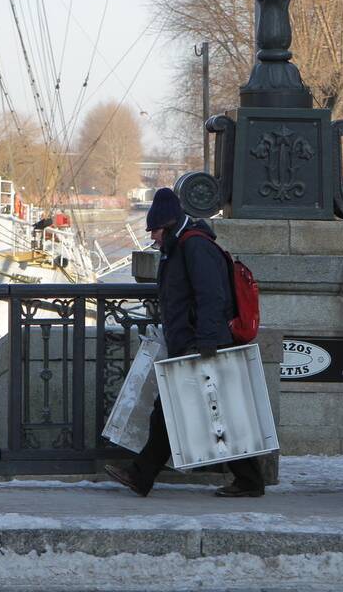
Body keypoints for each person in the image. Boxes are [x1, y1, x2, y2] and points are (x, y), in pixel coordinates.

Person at [105, 187, 265, 498]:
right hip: (193, 341)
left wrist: (204, 342)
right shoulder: (180, 247)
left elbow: (211, 296)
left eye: (155, 231)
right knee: (184, 411)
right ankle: (144, 475)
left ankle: (145, 475)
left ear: (168, 224)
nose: (153, 238)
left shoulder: (194, 247)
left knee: (204, 412)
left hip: (202, 343)